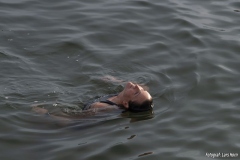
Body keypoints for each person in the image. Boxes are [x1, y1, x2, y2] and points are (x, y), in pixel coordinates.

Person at [32, 76, 153, 122]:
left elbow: (71, 120)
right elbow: (145, 87)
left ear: (126, 104)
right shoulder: (124, 96)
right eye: (141, 90)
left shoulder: (102, 108)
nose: (138, 87)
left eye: (137, 92)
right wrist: (116, 80)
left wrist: (45, 114)